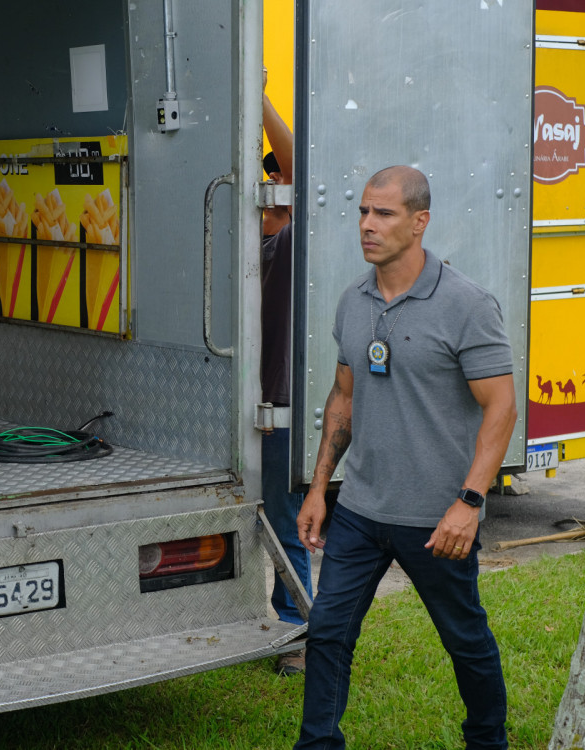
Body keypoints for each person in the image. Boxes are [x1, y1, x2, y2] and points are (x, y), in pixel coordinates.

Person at [294, 166, 516, 749]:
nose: (367, 225)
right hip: (361, 511)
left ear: (419, 222)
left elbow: (501, 409)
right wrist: (320, 488)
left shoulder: (467, 305)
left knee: (464, 639)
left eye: (384, 214)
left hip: (436, 520)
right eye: (364, 212)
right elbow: (342, 399)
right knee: (327, 633)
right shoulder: (353, 301)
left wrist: (469, 503)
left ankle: (488, 740)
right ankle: (317, 744)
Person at [258, 72, 313, 677]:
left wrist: (260, 101)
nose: (273, 180)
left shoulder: (296, 239)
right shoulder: (256, 239)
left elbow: (301, 164)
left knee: (283, 519)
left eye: (277, 176)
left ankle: (299, 634)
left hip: (281, 408)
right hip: (250, 407)